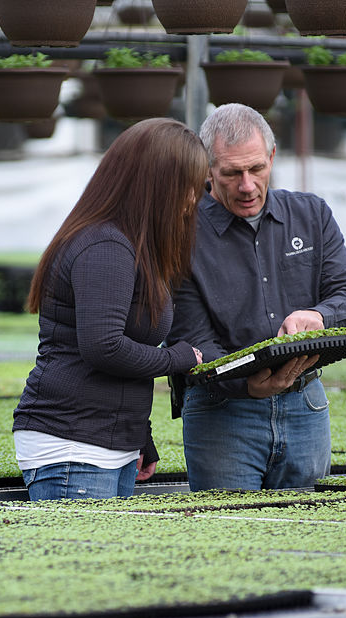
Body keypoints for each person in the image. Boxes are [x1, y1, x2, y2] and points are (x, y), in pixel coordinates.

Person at [166, 103, 346, 492]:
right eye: (231, 173)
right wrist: (246, 386)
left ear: (272, 157)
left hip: (305, 404)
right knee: (233, 539)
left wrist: (320, 316)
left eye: (256, 168)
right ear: (207, 170)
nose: (247, 185)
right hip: (223, 413)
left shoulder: (312, 215)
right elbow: (189, 341)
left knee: (311, 536)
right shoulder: (182, 234)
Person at [12, 118, 208, 501]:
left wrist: (139, 434)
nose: (192, 200)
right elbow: (103, 346)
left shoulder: (131, 247)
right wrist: (177, 359)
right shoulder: (105, 246)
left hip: (105, 442)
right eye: (186, 186)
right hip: (72, 445)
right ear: (155, 183)